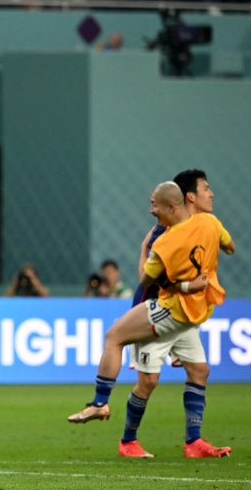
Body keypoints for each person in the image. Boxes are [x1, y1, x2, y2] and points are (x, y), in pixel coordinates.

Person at [67, 181, 233, 459]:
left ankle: (100, 404)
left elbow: (144, 278)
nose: (150, 209)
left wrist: (148, 248)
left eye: (155, 204)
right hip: (191, 314)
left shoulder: (164, 241)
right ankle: (142, 442)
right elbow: (230, 246)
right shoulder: (210, 223)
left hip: (167, 311)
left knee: (114, 338)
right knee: (180, 375)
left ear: (172, 205)